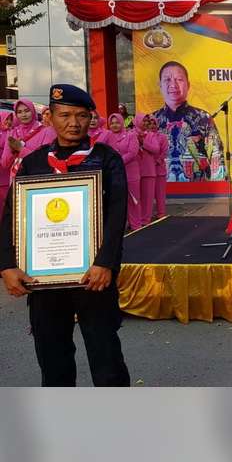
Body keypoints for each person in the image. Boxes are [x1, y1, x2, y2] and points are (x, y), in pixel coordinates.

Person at [0, 84, 130, 387]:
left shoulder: (106, 159)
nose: (74, 123)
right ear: (50, 117)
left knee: (107, 361)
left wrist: (105, 263)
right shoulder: (34, 163)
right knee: (53, 362)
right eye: (65, 115)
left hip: (94, 277)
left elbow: (117, 216)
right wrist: (6, 265)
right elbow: (10, 216)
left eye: (82, 115)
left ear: (91, 118)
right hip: (43, 280)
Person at [152, 60, 225, 182]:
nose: (173, 85)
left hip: (196, 188)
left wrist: (217, 188)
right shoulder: (151, 121)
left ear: (188, 85)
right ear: (160, 85)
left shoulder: (203, 118)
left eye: (179, 79)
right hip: (158, 187)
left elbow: (216, 155)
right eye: (167, 80)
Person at [101, 113, 141, 231]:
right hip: (114, 174)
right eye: (112, 123)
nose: (114, 125)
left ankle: (136, 225)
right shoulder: (107, 136)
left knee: (133, 200)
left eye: (117, 122)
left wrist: (118, 162)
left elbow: (133, 152)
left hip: (130, 173)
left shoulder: (131, 135)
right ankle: (121, 226)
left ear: (122, 123)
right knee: (118, 201)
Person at [1, 100, 57, 176]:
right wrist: (11, 151)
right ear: (16, 115)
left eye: (27, 111)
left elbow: (46, 162)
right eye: (19, 112)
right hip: (17, 179)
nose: (23, 115)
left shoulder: (47, 131)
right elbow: (5, 164)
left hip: (35, 179)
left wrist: (21, 149)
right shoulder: (13, 133)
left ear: (33, 111)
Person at [134, 113, 160, 227]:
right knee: (136, 198)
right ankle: (136, 221)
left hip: (148, 170)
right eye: (143, 121)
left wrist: (143, 143)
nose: (145, 123)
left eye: (146, 121)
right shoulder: (130, 134)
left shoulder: (151, 135)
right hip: (134, 170)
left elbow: (156, 149)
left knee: (148, 198)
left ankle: (146, 221)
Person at [151, 116, 169, 219]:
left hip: (159, 168)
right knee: (148, 194)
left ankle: (161, 213)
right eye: (150, 123)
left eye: (154, 123)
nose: (152, 126)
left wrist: (157, 161)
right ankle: (148, 214)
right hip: (147, 169)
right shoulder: (144, 136)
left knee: (160, 193)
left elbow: (164, 151)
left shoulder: (162, 137)